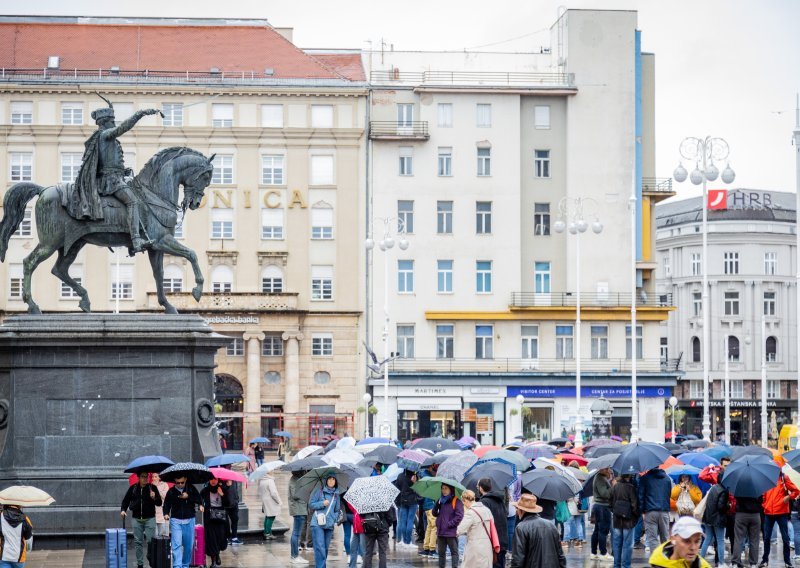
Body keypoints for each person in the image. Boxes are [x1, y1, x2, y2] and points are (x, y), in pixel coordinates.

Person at [70, 98, 161, 251]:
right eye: (112, 121)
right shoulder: (105, 134)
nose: (114, 124)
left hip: (115, 177)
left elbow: (108, 162)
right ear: (105, 122)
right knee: (133, 202)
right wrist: (140, 114)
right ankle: (136, 241)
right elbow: (122, 128)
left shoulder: (104, 138)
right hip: (110, 182)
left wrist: (122, 170)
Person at [509, 493, 566, 568]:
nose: (517, 511)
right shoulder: (551, 525)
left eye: (517, 509)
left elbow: (518, 559)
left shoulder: (521, 527)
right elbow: (560, 555)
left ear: (521, 510)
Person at [120, 471, 163, 568]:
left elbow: (159, 503)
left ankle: (150, 556)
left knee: (151, 541)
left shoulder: (152, 488)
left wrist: (154, 497)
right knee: (138, 542)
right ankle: (140, 564)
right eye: (143, 477)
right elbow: (125, 501)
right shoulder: (133, 488)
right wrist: (123, 510)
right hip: (137, 519)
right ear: (138, 477)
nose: (145, 479)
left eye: (146, 477)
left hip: (150, 519)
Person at [163, 475, 204, 568]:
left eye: (182, 482)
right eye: (178, 483)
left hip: (189, 520)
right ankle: (177, 565)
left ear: (185, 479)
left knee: (188, 545)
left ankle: (185, 565)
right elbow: (166, 504)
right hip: (175, 521)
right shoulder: (171, 491)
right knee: (176, 545)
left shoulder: (191, 488)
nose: (180, 485)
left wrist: (189, 497)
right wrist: (165, 513)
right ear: (175, 481)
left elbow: (199, 499)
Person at [760, 471, 799, 568]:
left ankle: (787, 562)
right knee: (766, 538)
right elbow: (764, 495)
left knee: (785, 538)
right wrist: (765, 505)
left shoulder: (783, 478)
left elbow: (796, 491)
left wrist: (789, 497)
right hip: (768, 513)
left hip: (782, 513)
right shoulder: (766, 480)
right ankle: (765, 560)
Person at [309, 474, 341, 568]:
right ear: (326, 481)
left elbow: (337, 510)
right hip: (317, 524)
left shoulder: (336, 495)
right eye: (329, 479)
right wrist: (322, 503)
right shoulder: (319, 492)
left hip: (329, 525)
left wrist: (333, 519)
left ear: (335, 481)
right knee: (320, 548)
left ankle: (321, 566)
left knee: (325, 549)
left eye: (333, 479)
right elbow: (311, 504)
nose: (331, 481)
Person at [457, 489, 494, 568]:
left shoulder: (470, 513)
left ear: (465, 500)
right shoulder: (487, 510)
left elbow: (459, 530)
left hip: (475, 548)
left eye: (463, 502)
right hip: (487, 546)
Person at [640, 466, 672, 554]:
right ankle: (666, 560)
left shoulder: (645, 478)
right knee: (665, 538)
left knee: (652, 539)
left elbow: (641, 496)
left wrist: (642, 511)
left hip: (650, 511)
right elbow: (668, 494)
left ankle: (656, 562)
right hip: (664, 510)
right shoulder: (667, 479)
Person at [611, 473, 640, 568]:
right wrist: (636, 516)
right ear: (629, 477)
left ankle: (616, 565)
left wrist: (616, 511)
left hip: (616, 520)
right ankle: (626, 566)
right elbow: (634, 505)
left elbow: (610, 502)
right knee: (627, 545)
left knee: (617, 544)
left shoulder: (615, 487)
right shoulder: (631, 488)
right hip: (629, 521)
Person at [478, 478, 509, 568]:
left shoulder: (483, 502)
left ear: (480, 488)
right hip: (502, 540)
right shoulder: (499, 499)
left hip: (493, 543)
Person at [433, 482, 465, 568]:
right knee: (441, 554)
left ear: (451, 489)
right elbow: (434, 513)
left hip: (451, 532)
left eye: (446, 488)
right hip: (441, 532)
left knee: (454, 552)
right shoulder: (440, 501)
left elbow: (460, 515)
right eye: (442, 488)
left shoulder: (456, 501)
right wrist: (437, 504)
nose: (444, 490)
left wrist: (449, 524)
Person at [700, 480, 729, 567]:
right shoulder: (724, 491)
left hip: (708, 517)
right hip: (718, 519)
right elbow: (721, 507)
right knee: (720, 540)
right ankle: (721, 563)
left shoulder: (713, 488)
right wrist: (728, 506)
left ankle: (700, 560)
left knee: (707, 539)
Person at [201, 478, 230, 567]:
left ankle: (217, 554)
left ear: (218, 480)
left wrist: (222, 494)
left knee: (220, 538)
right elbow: (200, 500)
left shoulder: (222, 489)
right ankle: (213, 561)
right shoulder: (205, 490)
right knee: (211, 539)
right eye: (211, 479)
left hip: (220, 518)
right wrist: (201, 505)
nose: (213, 481)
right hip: (209, 519)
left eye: (215, 479)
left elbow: (228, 503)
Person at [731, 492, 763, 568]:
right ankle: (753, 564)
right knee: (754, 540)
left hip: (741, 514)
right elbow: (761, 500)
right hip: (755, 514)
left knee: (738, 539)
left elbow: (735, 498)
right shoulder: (758, 486)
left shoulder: (739, 486)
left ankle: (735, 563)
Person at [361, 501, 396, 568]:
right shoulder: (384, 501)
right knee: (382, 552)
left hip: (369, 527)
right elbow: (390, 517)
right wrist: (387, 524)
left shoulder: (366, 501)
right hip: (383, 529)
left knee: (368, 551)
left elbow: (361, 514)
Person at [591, 467, 613, 562]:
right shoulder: (599, 478)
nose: (608, 470)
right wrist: (613, 487)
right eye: (606, 469)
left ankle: (594, 552)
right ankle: (603, 553)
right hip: (602, 507)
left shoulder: (601, 477)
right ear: (601, 469)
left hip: (600, 506)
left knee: (597, 530)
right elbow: (604, 494)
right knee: (603, 531)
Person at [289, 470, 311, 565]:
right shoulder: (294, 480)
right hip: (298, 510)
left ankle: (294, 556)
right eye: (303, 471)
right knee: (296, 534)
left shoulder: (297, 479)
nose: (305, 472)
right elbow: (295, 495)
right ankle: (294, 556)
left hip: (300, 509)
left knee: (296, 533)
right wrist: (305, 489)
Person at [394, 469, 418, 548]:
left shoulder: (400, 476)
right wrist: (415, 482)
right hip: (412, 501)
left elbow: (397, 488)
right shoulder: (414, 476)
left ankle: (404, 541)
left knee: (403, 522)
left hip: (403, 500)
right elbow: (418, 489)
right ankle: (408, 541)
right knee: (410, 521)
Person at [420, 464, 439, 559]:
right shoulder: (431, 479)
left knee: (429, 527)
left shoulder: (424, 477)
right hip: (431, 506)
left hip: (426, 506)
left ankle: (426, 548)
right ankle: (432, 550)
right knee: (434, 527)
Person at [259, 469, 282, 540]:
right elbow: (273, 493)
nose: (273, 471)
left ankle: (267, 532)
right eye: (272, 470)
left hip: (265, 500)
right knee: (271, 517)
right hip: (271, 501)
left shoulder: (262, 480)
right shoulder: (270, 481)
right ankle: (267, 533)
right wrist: (279, 501)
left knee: (268, 516)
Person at [347, 501, 365, 568]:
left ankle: (365, 566)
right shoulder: (356, 507)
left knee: (364, 550)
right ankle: (351, 566)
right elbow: (350, 506)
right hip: (356, 530)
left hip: (363, 529)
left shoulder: (365, 506)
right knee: (353, 548)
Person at [152, 472, 170, 538]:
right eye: (153, 477)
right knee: (154, 537)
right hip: (153, 514)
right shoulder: (150, 486)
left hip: (163, 514)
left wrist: (156, 488)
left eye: (155, 476)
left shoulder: (165, 485)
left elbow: (166, 496)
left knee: (163, 536)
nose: (154, 478)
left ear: (159, 477)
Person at [224, 479, 241, 545]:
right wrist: (227, 486)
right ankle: (227, 538)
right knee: (226, 523)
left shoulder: (234, 480)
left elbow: (235, 490)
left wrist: (237, 500)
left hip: (234, 504)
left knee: (235, 520)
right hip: (225, 504)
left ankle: (234, 537)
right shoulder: (222, 480)